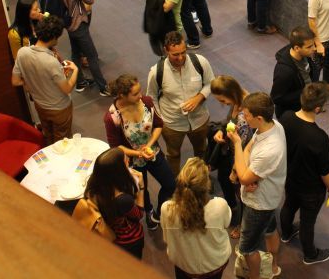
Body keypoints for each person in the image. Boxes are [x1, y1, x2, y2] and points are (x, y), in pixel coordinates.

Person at [104, 74, 176, 231]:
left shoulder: (147, 103)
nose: (140, 95)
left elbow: (158, 125)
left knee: (171, 184)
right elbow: (116, 147)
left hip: (153, 152)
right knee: (142, 190)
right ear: (122, 95)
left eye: (140, 91)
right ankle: (149, 210)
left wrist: (149, 145)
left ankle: (158, 214)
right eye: (135, 94)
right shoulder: (112, 117)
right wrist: (138, 154)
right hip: (134, 161)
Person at [227, 92, 286, 279]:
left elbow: (244, 177)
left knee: (247, 247)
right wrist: (244, 171)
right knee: (269, 230)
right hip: (268, 196)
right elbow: (249, 148)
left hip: (258, 203)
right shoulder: (273, 125)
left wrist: (236, 143)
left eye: (246, 115)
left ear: (258, 118)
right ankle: (274, 267)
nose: (243, 118)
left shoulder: (271, 148)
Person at [279, 83, 329, 265]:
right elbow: (325, 171)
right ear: (318, 108)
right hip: (311, 189)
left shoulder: (286, 117)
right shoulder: (319, 137)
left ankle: (286, 233)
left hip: (290, 178)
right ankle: (310, 255)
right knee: (307, 222)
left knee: (288, 205)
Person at [147, 31, 215, 176]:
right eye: (175, 54)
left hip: (199, 120)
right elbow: (151, 97)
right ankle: (175, 184)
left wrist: (199, 98)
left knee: (201, 151)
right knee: (173, 154)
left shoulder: (200, 62)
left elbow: (210, 83)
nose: (180, 57)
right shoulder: (156, 72)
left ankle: (199, 179)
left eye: (183, 52)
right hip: (172, 124)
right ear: (166, 51)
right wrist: (161, 120)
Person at [11, 15, 78, 144]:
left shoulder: (22, 52)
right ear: (54, 37)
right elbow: (67, 88)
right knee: (62, 142)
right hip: (60, 108)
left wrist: (32, 83)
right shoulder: (51, 62)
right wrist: (75, 70)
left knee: (48, 136)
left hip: (40, 106)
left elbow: (15, 81)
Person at [161, 157, 231, 278]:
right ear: (207, 184)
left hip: (184, 266)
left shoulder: (167, 209)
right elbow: (227, 223)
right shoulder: (220, 205)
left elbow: (167, 239)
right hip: (215, 265)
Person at [56, 0, 110, 96]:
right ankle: (103, 88)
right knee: (92, 56)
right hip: (78, 22)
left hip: (68, 22)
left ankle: (79, 82)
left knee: (75, 52)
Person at [210, 75, 255, 240]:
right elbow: (230, 122)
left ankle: (243, 223)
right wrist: (222, 130)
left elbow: (245, 146)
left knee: (242, 193)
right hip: (230, 152)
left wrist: (236, 171)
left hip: (242, 159)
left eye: (223, 100)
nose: (222, 104)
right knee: (224, 180)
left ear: (232, 92)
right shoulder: (236, 101)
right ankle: (234, 209)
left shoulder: (247, 110)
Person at [84, 147, 146, 259]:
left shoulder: (93, 187)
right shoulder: (123, 199)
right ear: (118, 171)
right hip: (129, 240)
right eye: (126, 160)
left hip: (110, 235)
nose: (129, 161)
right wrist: (141, 187)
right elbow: (139, 215)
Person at [270, 27, 318, 119]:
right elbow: (276, 98)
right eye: (309, 47)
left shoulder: (306, 54)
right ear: (297, 48)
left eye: (313, 45)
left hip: (304, 105)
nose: (314, 48)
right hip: (291, 114)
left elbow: (310, 73)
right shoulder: (284, 71)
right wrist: (305, 92)